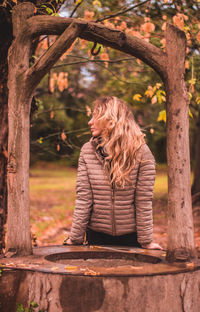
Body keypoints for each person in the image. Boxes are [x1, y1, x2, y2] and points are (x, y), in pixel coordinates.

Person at [65, 96, 162, 250]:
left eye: (95, 116)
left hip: (131, 238)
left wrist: (146, 241)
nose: (90, 122)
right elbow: (84, 197)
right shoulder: (87, 151)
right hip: (96, 236)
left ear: (110, 119)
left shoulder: (142, 152)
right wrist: (75, 238)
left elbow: (143, 200)